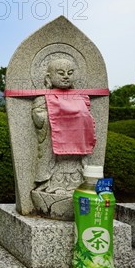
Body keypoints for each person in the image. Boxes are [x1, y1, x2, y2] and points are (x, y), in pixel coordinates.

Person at [32, 58, 85, 194]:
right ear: (49, 78)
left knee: (74, 165)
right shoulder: (42, 98)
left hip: (74, 142)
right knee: (55, 165)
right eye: (61, 73)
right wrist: (54, 119)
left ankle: (75, 185)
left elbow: (86, 118)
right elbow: (38, 117)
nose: (66, 76)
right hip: (54, 141)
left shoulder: (79, 98)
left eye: (70, 73)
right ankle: (53, 185)